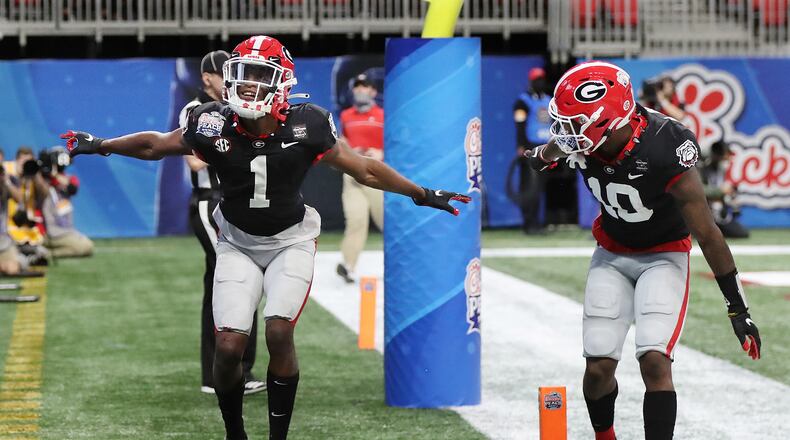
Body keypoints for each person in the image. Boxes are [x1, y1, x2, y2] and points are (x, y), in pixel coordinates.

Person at [62, 35, 470, 440]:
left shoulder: (307, 123)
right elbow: (157, 145)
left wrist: (420, 193)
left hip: (291, 240)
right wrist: (102, 144)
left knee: (278, 330)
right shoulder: (211, 120)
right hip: (237, 241)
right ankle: (235, 433)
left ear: (282, 84)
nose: (247, 85)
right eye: (241, 74)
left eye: (259, 75)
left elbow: (362, 168)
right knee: (227, 347)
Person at [525, 61, 761, 440]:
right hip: (612, 253)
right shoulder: (585, 137)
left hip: (663, 255)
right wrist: (544, 155)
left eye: (573, 125)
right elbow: (563, 143)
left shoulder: (668, 145)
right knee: (598, 367)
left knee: (654, 360)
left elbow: (708, 233)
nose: (565, 133)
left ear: (606, 124)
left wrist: (738, 308)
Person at [179, 50, 266, 396]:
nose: (231, 80)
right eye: (224, 73)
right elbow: (195, 164)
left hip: (233, 201)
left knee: (223, 284)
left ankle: (222, 373)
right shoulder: (196, 110)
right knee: (235, 281)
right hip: (208, 202)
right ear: (207, 78)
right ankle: (232, 372)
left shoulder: (236, 107)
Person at [336, 74, 384, 283]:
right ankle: (348, 266)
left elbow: (396, 142)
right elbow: (341, 141)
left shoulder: (383, 115)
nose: (360, 90)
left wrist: (381, 152)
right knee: (355, 221)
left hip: (378, 175)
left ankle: (407, 261)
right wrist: (349, 150)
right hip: (353, 175)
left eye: (365, 86)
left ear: (373, 91)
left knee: (387, 222)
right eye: (357, 86)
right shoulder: (346, 116)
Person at [513, 67, 552, 233]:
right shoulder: (523, 101)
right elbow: (520, 125)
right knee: (529, 186)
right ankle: (528, 223)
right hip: (530, 148)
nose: (540, 82)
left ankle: (537, 222)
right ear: (531, 81)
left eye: (542, 79)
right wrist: (521, 146)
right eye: (537, 79)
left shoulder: (549, 100)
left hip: (546, 148)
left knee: (540, 187)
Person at [38, 147, 94, 257]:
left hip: (64, 229)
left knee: (87, 246)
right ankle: (45, 253)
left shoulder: (69, 178)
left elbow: (72, 188)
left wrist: (54, 175)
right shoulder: (43, 181)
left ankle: (45, 253)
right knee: (85, 247)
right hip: (50, 230)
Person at [700, 140, 749, 238]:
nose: (727, 158)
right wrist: (720, 191)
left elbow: (721, 189)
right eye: (726, 155)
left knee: (741, 232)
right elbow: (698, 191)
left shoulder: (720, 168)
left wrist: (728, 196)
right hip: (702, 212)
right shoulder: (700, 167)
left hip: (716, 213)